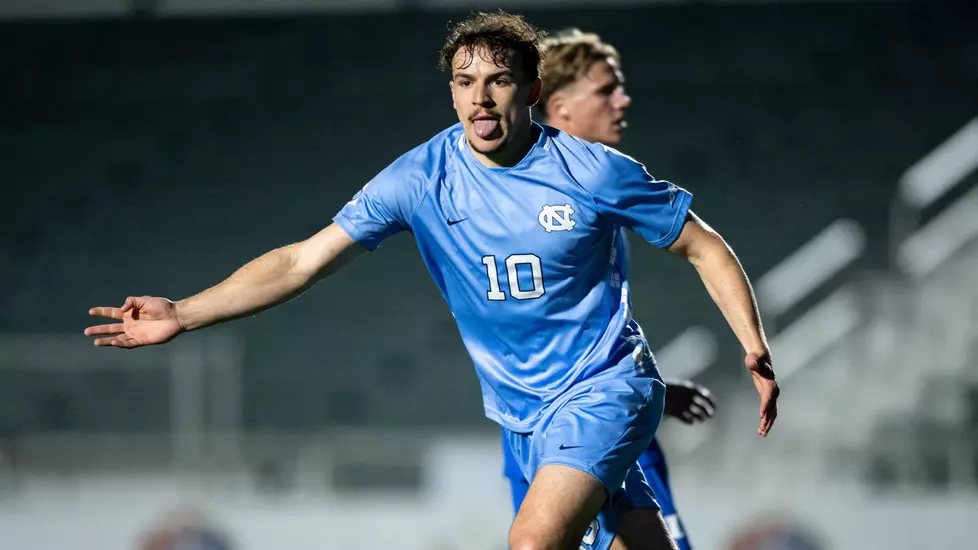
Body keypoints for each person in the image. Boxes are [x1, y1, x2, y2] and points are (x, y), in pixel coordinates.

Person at [84, 12, 779, 550]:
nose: (481, 98)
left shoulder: (591, 171)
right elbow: (301, 262)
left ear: (533, 90)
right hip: (521, 413)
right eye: (465, 82)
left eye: (499, 80)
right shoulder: (420, 177)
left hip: (605, 389)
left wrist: (753, 345)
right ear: (451, 92)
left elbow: (703, 246)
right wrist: (185, 312)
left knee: (532, 542)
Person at [498, 28, 717, 550]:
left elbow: (577, 322)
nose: (623, 100)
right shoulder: (531, 195)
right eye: (606, 89)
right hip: (574, 427)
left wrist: (647, 385)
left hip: (585, 416)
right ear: (559, 106)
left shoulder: (596, 185)